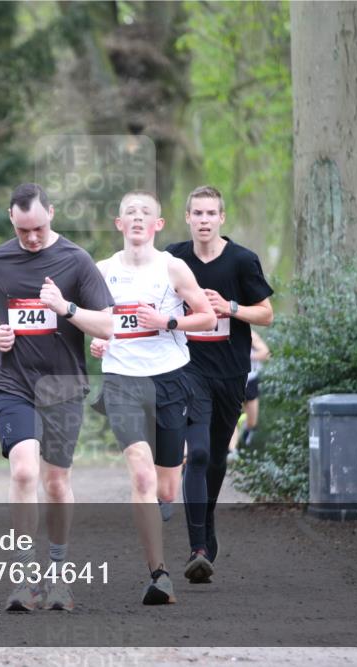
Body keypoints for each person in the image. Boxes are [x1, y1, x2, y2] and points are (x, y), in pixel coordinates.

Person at [0, 183, 114, 612]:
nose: (32, 238)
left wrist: (65, 308)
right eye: (23, 230)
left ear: (51, 213)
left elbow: (107, 326)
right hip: (13, 383)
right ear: (11, 219)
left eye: (39, 228)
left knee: (55, 482)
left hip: (63, 386)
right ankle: (25, 579)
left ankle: (59, 577)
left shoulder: (76, 260)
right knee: (24, 473)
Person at [89, 190, 215, 605]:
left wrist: (168, 320)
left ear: (159, 224)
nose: (138, 218)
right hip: (123, 380)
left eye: (146, 213)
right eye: (130, 213)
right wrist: (97, 340)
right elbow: (91, 321)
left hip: (169, 378)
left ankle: (164, 495)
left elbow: (208, 316)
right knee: (140, 475)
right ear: (119, 224)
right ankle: (159, 575)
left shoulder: (173, 267)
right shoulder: (101, 271)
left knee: (165, 484)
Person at [166, 185, 274, 584]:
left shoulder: (243, 261)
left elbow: (266, 315)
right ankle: (197, 548)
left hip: (230, 373)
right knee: (195, 454)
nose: (204, 220)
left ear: (221, 218)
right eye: (198, 213)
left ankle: (205, 522)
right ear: (188, 218)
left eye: (211, 213)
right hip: (187, 368)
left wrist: (229, 307)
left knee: (214, 459)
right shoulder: (173, 258)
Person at [229, 330, 271, 457]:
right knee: (231, 418)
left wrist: (245, 356)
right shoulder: (222, 332)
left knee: (252, 422)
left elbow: (266, 353)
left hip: (250, 379)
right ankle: (232, 451)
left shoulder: (250, 334)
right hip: (231, 380)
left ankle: (243, 426)